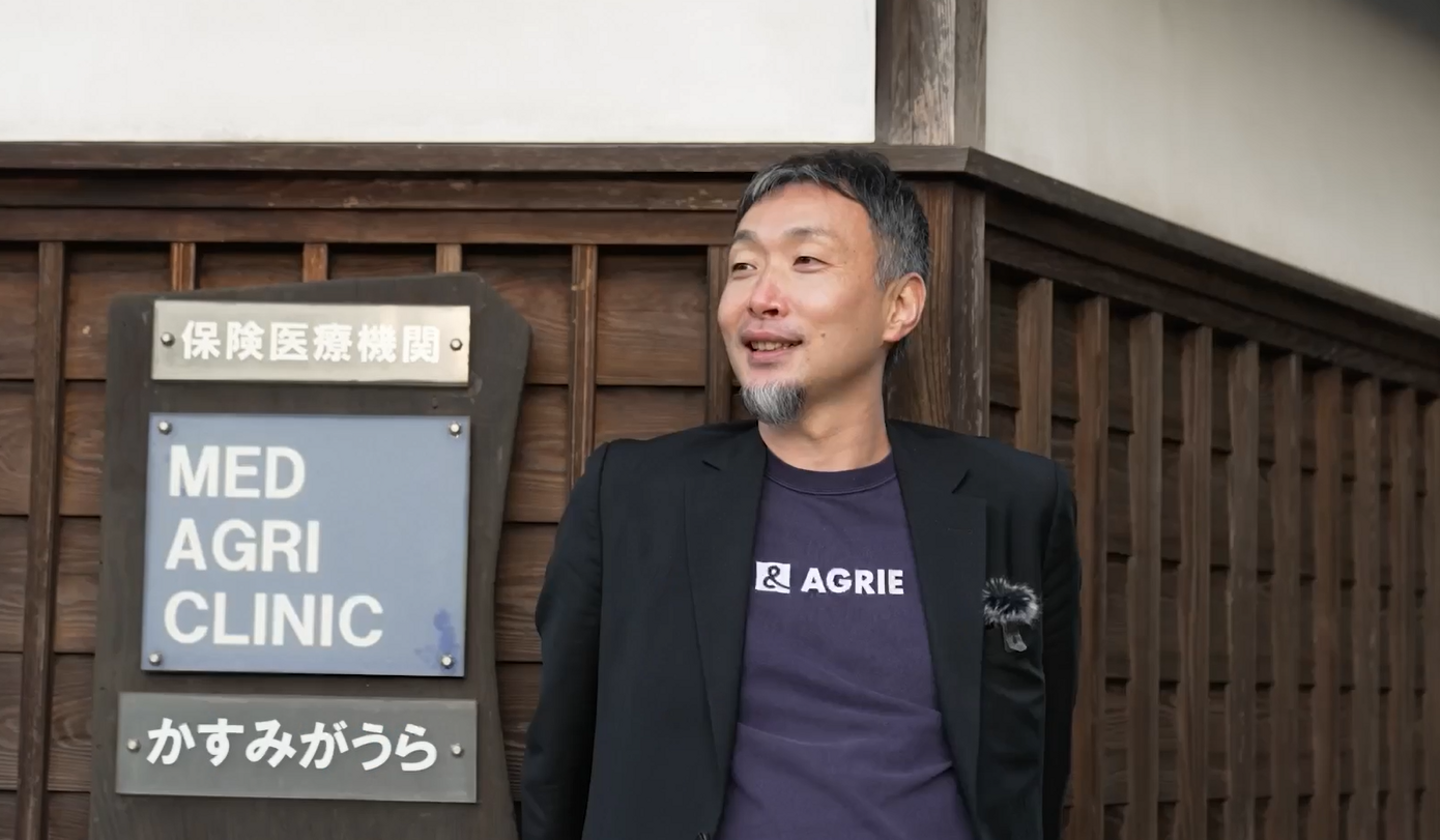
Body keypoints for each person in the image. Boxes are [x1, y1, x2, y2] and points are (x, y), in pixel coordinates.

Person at [520, 149, 1080, 840]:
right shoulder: (633, 497)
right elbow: (559, 761)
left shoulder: (1015, 499)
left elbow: (1035, 761)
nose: (760, 297)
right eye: (743, 266)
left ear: (899, 306)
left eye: (806, 261)